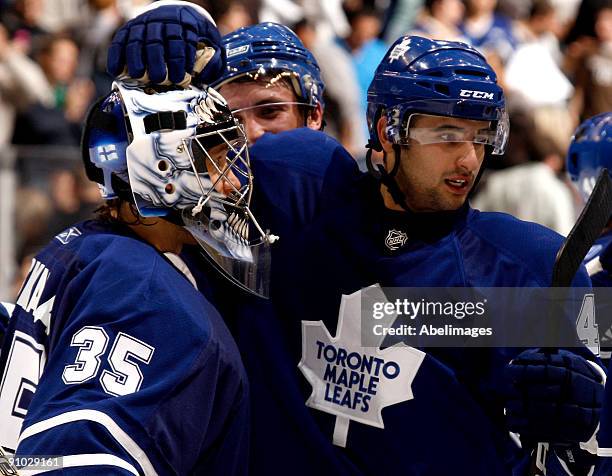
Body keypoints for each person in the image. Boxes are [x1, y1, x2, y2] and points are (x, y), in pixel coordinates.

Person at [108, 5, 605, 473]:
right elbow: (147, 182)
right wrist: (156, 69)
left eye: (479, 137)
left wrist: (582, 407)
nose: (468, 160)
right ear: (388, 131)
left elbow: (583, 404)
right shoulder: (301, 190)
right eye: (447, 135)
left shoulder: (522, 263)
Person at [0, 79, 272, 474]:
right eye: (215, 163)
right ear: (162, 169)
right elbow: (81, 461)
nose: (232, 183)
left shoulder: (88, 247)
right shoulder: (147, 294)